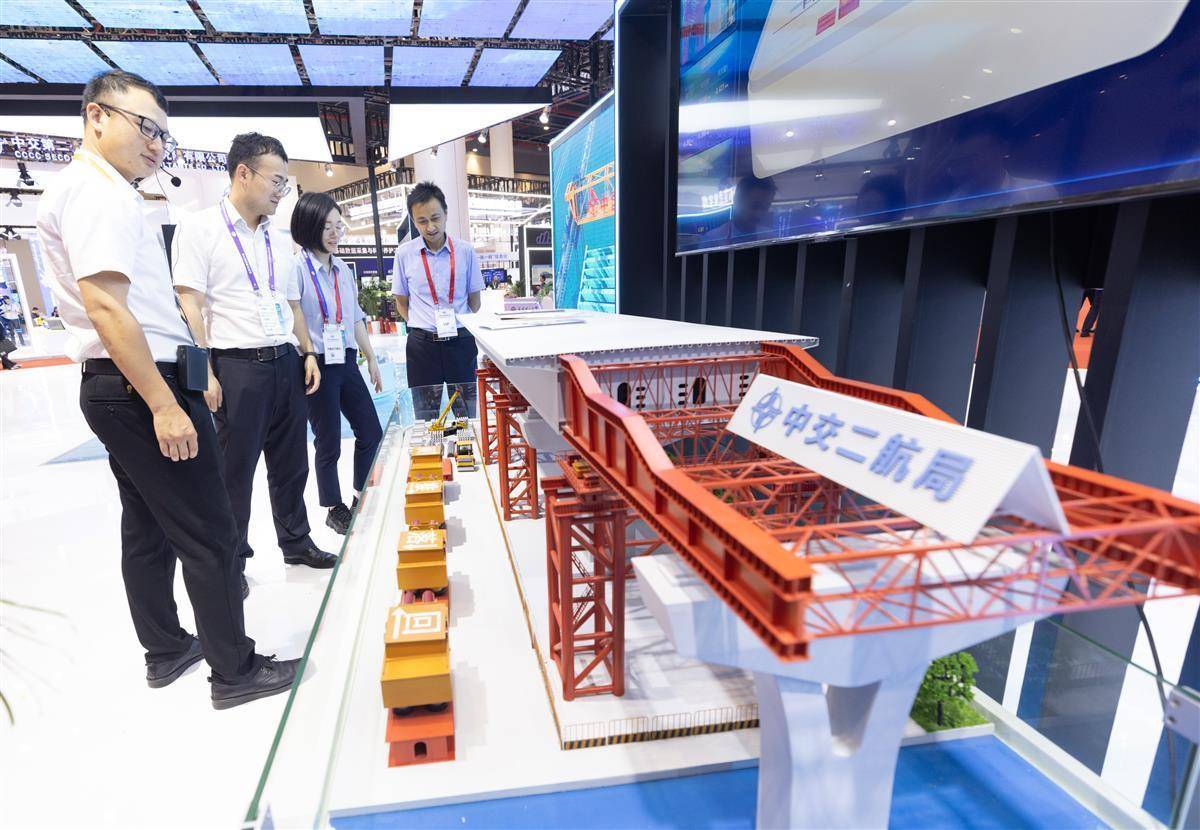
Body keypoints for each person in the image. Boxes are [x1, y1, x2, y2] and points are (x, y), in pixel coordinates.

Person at [35, 69, 296, 708]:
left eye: (163, 135)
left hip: (131, 380)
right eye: (145, 127)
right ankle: (234, 671)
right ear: (97, 116)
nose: (156, 145)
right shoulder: (95, 193)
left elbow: (152, 313)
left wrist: (189, 385)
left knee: (148, 527)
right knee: (210, 528)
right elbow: (108, 308)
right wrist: (164, 403)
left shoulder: (103, 193)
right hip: (141, 385)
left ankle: (166, 646)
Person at [174, 132, 336, 599]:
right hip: (235, 367)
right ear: (243, 173)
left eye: (286, 183)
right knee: (234, 473)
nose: (283, 191)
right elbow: (189, 303)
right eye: (277, 180)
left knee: (292, 464)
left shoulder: (279, 239)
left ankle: (296, 542)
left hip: (285, 361)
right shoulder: (200, 228)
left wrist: (307, 352)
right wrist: (202, 372)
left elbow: (292, 304)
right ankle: (233, 561)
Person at [290, 191, 384, 534]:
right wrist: (307, 354)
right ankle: (333, 506)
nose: (334, 233)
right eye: (326, 226)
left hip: (345, 359)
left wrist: (370, 357)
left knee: (371, 431)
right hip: (315, 363)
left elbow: (355, 316)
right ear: (309, 226)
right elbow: (295, 315)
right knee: (327, 440)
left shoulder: (343, 269)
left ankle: (360, 493)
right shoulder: (297, 268)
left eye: (338, 226)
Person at [391, 181, 483, 421]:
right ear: (413, 221)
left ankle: (464, 445)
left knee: (465, 417)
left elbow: (475, 301)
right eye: (422, 221)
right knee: (426, 417)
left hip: (460, 343)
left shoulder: (466, 252)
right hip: (422, 348)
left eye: (435, 218)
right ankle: (430, 447)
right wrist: (421, 324)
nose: (430, 227)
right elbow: (401, 300)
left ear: (446, 213)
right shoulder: (404, 254)